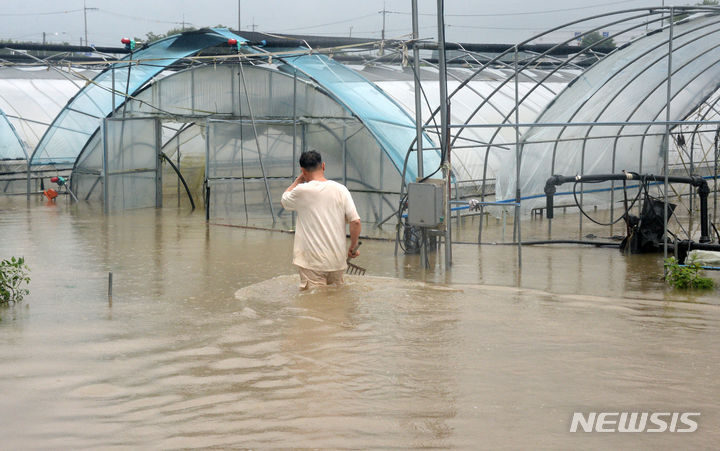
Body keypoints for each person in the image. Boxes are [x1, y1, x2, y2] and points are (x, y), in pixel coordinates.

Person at [281, 150, 361, 290]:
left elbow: (284, 199)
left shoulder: (301, 191)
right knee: (336, 304)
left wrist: (298, 180)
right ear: (323, 166)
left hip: (312, 262)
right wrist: (353, 248)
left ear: (302, 170)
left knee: (313, 307)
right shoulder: (341, 189)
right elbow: (355, 222)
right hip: (337, 261)